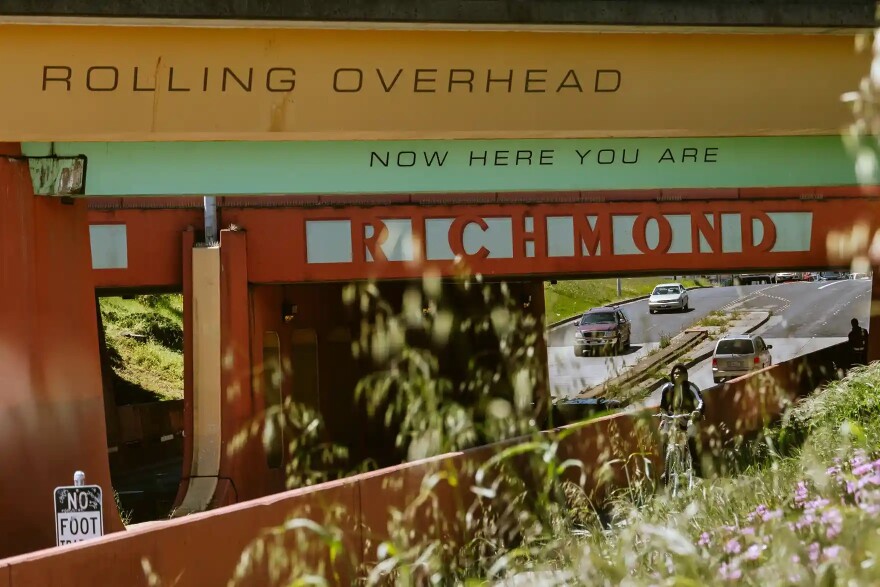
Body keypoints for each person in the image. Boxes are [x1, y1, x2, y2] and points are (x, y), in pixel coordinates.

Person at [658, 364, 705, 477]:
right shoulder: (667, 388)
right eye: (675, 373)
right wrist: (663, 417)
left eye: (679, 373)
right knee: (663, 434)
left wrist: (697, 411)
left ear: (685, 375)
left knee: (691, 435)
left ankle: (695, 464)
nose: (677, 375)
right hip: (672, 418)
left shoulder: (691, 387)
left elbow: (700, 401)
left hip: (688, 418)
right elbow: (663, 407)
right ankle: (666, 468)